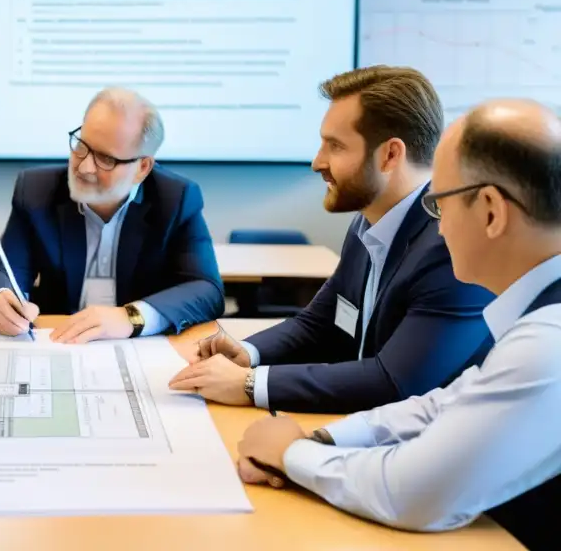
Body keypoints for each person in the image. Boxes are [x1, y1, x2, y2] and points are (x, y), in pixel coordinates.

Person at [236, 99, 561, 550]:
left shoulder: (548, 341)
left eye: (437, 203)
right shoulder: (539, 316)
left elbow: (413, 493)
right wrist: (324, 438)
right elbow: (447, 403)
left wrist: (290, 454)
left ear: (490, 210)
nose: (437, 227)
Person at [170, 66, 494, 413]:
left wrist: (249, 385)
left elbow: (396, 382)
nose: (317, 162)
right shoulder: (367, 223)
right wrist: (247, 353)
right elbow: (321, 324)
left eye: (335, 146)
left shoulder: (451, 244)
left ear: (390, 155)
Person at [0, 87, 224, 343]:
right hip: (58, 343)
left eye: (105, 159)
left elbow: (206, 291)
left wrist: (132, 317)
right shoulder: (37, 191)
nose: (84, 166)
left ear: (142, 167)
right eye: (81, 145)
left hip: (138, 348)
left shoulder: (176, 199)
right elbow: (1, 273)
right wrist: (0, 300)